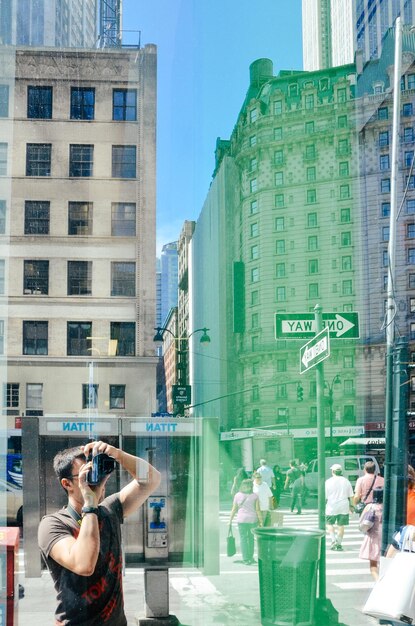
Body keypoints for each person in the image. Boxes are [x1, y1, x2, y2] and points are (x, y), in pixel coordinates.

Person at [38, 440, 161, 626]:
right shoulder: (53, 524)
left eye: (96, 471)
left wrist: (118, 454)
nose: (95, 479)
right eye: (86, 475)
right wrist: (90, 503)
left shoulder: (109, 510)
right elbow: (84, 564)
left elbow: (151, 480)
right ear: (67, 484)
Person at [229, 478, 262, 565]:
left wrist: (230, 520)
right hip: (252, 520)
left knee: (243, 538)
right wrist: (261, 521)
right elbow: (258, 510)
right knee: (251, 538)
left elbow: (234, 509)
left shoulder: (237, 495)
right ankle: (251, 557)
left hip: (241, 519)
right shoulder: (255, 496)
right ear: (251, 487)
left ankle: (245, 559)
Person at [325, 463, 354, 551]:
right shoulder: (346, 481)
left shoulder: (328, 481)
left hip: (331, 505)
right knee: (341, 525)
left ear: (333, 471)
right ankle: (339, 543)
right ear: (341, 472)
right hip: (344, 505)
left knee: (329, 524)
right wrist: (352, 506)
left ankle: (333, 541)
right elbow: (351, 496)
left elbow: (325, 496)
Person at [358, 487, 383, 580]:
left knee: (373, 565)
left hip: (373, 537)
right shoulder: (388, 506)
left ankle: (379, 582)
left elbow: (362, 521)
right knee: (385, 562)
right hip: (385, 537)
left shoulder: (370, 507)